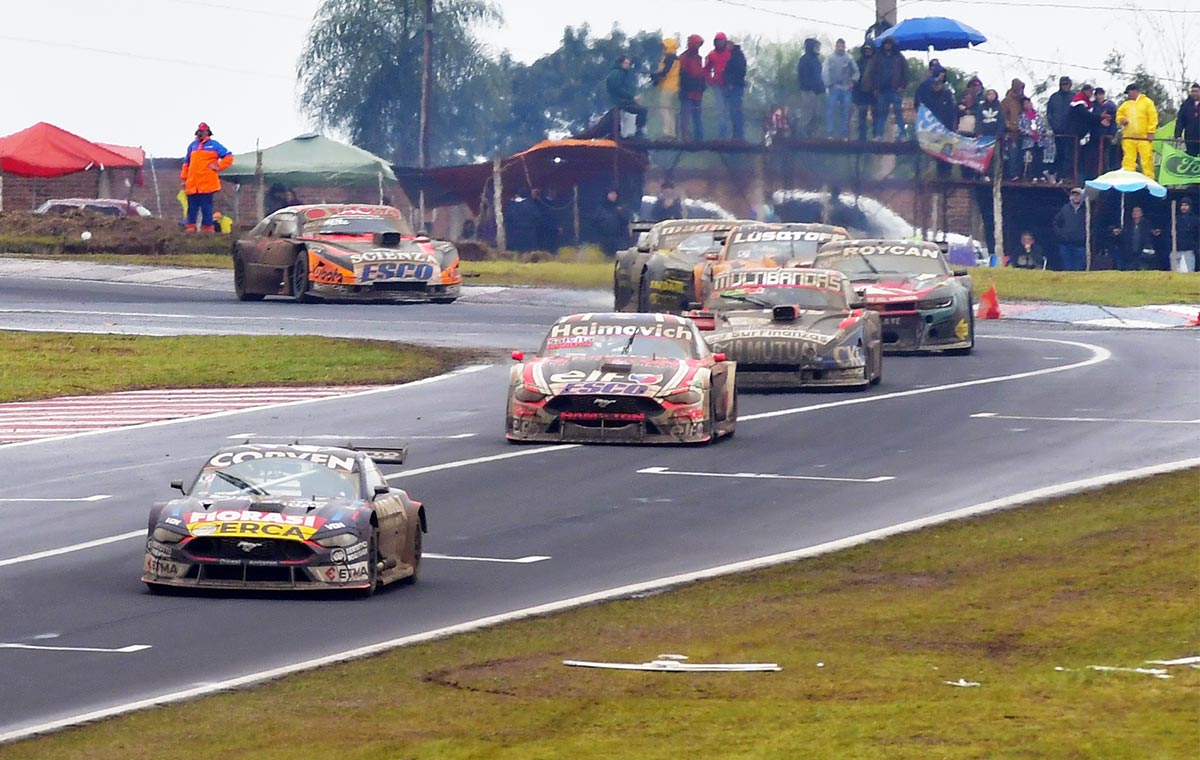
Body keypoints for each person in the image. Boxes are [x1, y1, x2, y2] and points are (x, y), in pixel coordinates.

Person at [180, 122, 233, 233]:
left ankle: (207, 229)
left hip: (207, 184)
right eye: (200, 131)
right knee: (192, 208)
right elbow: (186, 164)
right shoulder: (192, 146)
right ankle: (190, 228)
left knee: (206, 208)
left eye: (203, 132)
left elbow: (228, 157)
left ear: (207, 133)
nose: (201, 134)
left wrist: (218, 167)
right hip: (192, 184)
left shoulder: (214, 145)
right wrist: (184, 179)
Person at [865, 37, 908, 140]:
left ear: (892, 45)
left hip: (896, 90)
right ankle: (879, 136)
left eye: (889, 44)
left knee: (898, 113)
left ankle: (902, 135)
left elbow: (906, 72)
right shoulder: (878, 57)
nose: (887, 45)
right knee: (882, 114)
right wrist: (875, 88)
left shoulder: (899, 57)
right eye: (886, 44)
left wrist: (902, 86)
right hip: (882, 91)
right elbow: (872, 73)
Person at [1116, 84, 1158, 178]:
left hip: (1144, 137)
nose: (1128, 95)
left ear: (1135, 91)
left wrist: (1151, 132)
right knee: (1128, 159)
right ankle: (1128, 179)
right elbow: (1119, 114)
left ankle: (1149, 179)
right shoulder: (1126, 104)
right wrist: (1121, 119)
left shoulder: (1147, 102)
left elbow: (1153, 118)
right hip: (1129, 137)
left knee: (1146, 159)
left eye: (1129, 92)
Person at [822, 38, 858, 139]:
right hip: (834, 87)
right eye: (839, 46)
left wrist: (853, 81)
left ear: (845, 47)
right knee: (830, 110)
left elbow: (856, 71)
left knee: (845, 111)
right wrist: (828, 84)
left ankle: (844, 134)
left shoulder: (849, 58)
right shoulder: (829, 58)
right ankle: (829, 133)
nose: (841, 48)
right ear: (836, 47)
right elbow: (825, 71)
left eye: (843, 46)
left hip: (846, 88)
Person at [606, 55, 647, 139]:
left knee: (639, 110)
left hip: (625, 100)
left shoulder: (623, 73)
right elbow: (616, 88)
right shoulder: (617, 73)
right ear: (620, 63)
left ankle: (635, 132)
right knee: (642, 110)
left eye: (628, 63)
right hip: (621, 101)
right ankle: (637, 132)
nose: (627, 65)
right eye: (625, 63)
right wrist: (631, 97)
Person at [1111, 205, 1164, 270]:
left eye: (1137, 211)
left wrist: (1155, 234)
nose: (1135, 213)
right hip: (1129, 255)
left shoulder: (1147, 224)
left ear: (1141, 213)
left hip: (1143, 256)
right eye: (1133, 211)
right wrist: (1118, 234)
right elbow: (1122, 239)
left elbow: (1151, 236)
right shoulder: (1128, 225)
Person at [1018, 97, 1056, 181]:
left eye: (1029, 103)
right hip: (1029, 141)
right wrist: (1029, 132)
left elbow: (1042, 126)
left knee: (1040, 157)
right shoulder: (1022, 116)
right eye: (1025, 104)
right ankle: (1033, 175)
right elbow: (1020, 128)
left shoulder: (1037, 115)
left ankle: (1040, 174)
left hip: (1040, 140)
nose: (1028, 105)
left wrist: (1046, 132)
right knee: (1033, 157)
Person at [1046, 76, 1076, 182]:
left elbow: (1079, 112)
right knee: (1060, 152)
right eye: (1063, 84)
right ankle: (1055, 173)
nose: (1065, 86)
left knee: (1069, 154)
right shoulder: (1054, 97)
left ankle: (1063, 175)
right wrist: (1054, 126)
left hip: (1071, 131)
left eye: (1067, 84)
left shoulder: (1074, 96)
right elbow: (1049, 114)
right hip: (1058, 130)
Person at [650, 38, 680, 140]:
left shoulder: (670, 58)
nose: (663, 48)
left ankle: (668, 132)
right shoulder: (673, 58)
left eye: (665, 46)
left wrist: (655, 76)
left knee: (664, 109)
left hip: (668, 86)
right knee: (669, 110)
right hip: (672, 86)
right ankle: (672, 132)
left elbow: (664, 72)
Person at [678, 34, 706, 141]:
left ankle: (699, 137)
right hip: (687, 92)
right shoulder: (684, 58)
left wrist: (702, 86)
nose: (698, 46)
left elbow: (701, 73)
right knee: (686, 115)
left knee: (697, 115)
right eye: (697, 43)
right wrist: (692, 85)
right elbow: (683, 75)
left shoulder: (698, 58)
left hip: (697, 92)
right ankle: (685, 136)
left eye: (700, 44)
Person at [704, 32, 732, 139]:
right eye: (718, 41)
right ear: (715, 42)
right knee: (721, 110)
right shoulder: (711, 55)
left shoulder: (730, 54)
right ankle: (722, 135)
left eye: (721, 41)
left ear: (725, 42)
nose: (720, 43)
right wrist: (710, 80)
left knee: (730, 110)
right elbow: (706, 69)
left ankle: (730, 135)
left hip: (729, 85)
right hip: (718, 86)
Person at [1052, 187, 1088, 271]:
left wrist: (1085, 237)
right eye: (1073, 195)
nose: (1075, 197)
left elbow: (1092, 226)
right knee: (1067, 269)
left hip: (1080, 245)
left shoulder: (1087, 210)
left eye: (1078, 195)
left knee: (1079, 270)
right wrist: (1061, 235)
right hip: (1066, 245)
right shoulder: (1065, 208)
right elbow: (1055, 222)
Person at [795, 38, 825, 138]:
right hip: (808, 92)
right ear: (811, 47)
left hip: (816, 92)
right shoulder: (804, 60)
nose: (818, 49)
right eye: (816, 47)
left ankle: (811, 135)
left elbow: (819, 76)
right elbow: (803, 77)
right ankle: (801, 134)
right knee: (807, 114)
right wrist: (810, 88)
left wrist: (821, 89)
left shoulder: (816, 60)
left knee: (816, 114)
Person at [1069, 85, 1098, 180]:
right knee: (1074, 156)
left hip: (1084, 134)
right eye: (1089, 92)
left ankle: (1082, 176)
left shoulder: (1088, 103)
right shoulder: (1078, 102)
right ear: (1085, 91)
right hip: (1075, 133)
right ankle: (1073, 176)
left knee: (1083, 157)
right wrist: (1100, 117)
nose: (1091, 94)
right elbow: (1086, 115)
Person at [1000, 79, 1026, 179]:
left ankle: (1020, 174)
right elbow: (1003, 116)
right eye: (1019, 87)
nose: (1021, 90)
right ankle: (1012, 174)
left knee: (1021, 155)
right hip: (1011, 132)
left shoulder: (1023, 101)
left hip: (1022, 132)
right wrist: (1009, 126)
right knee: (1012, 154)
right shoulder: (1007, 101)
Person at [592, 189, 631, 256]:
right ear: (607, 195)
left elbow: (626, 221)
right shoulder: (601, 208)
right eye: (611, 194)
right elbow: (595, 222)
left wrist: (620, 213)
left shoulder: (621, 207)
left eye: (615, 194)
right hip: (605, 239)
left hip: (620, 240)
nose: (613, 196)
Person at [723, 37, 748, 141]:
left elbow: (739, 71)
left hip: (735, 87)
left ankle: (738, 135)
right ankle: (737, 134)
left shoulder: (737, 56)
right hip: (735, 86)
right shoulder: (735, 55)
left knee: (735, 110)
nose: (726, 46)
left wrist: (731, 82)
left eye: (728, 44)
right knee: (734, 111)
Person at [1091, 88, 1119, 173]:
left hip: (1106, 135)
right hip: (1095, 135)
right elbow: (1090, 118)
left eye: (1101, 94)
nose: (1099, 97)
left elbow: (1114, 120)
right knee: (1094, 156)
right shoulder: (1092, 106)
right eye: (1097, 95)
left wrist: (1112, 133)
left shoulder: (1110, 106)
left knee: (1105, 156)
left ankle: (1106, 173)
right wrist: (1100, 118)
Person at [852, 43, 875, 141]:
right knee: (861, 116)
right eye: (866, 49)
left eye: (870, 49)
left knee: (876, 115)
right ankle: (862, 137)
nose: (868, 51)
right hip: (861, 93)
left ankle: (875, 136)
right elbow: (855, 77)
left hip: (874, 93)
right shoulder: (859, 62)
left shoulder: (876, 62)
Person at [1171, 198, 1198, 273]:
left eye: (1186, 205)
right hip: (1176, 250)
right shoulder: (1175, 219)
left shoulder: (1195, 220)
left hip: (1189, 250)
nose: (1183, 207)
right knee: (1175, 273)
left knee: (1189, 272)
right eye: (1182, 205)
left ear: (1190, 207)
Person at [1175, 83, 1200, 157]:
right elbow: (1180, 120)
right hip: (1190, 138)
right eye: (1192, 91)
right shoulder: (1185, 105)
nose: (1194, 93)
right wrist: (1178, 135)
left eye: (1196, 91)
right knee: (1191, 157)